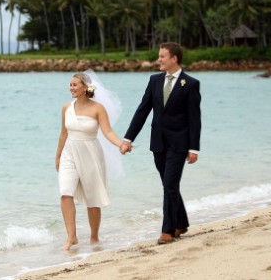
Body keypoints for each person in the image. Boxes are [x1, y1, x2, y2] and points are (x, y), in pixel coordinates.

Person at [120, 42, 201, 245]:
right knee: (169, 184)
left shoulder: (190, 84)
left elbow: (194, 119)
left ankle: (167, 231)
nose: (159, 60)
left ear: (174, 58)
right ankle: (181, 222)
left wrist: (194, 148)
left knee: (169, 184)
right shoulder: (154, 80)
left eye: (162, 56)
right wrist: (128, 138)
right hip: (158, 142)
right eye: (159, 56)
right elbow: (143, 110)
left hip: (179, 143)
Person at [55, 72, 125, 251]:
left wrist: (121, 144)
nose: (71, 88)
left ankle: (94, 237)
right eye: (70, 84)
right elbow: (63, 134)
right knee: (65, 193)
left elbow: (108, 132)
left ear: (85, 88)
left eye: (75, 85)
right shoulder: (66, 108)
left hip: (91, 154)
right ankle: (71, 236)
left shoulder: (98, 108)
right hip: (69, 154)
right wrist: (58, 156)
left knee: (93, 199)